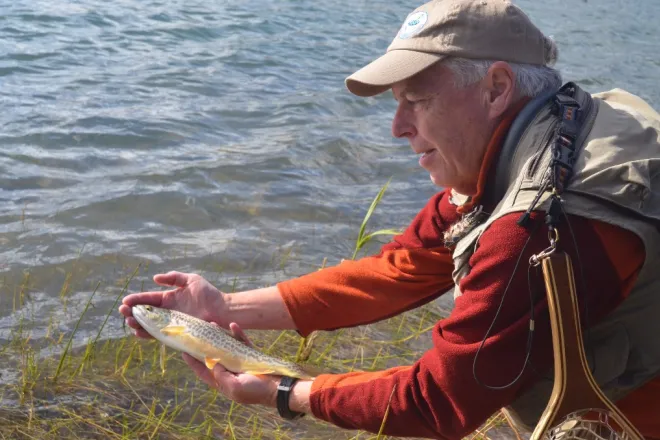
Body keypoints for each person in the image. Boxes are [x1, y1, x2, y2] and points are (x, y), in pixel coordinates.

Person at [119, 0, 660, 438]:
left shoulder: (536, 225)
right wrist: (224, 307)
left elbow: (437, 402)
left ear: (496, 88)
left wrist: (285, 392)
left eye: (416, 101)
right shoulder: (554, 128)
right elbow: (399, 268)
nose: (397, 127)